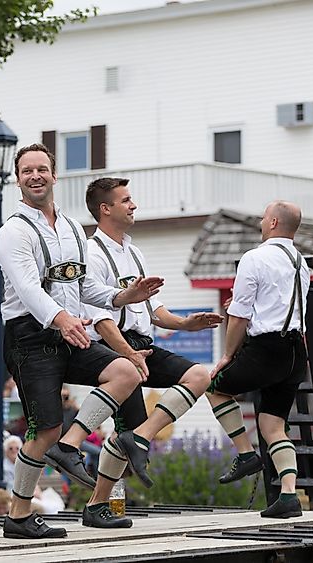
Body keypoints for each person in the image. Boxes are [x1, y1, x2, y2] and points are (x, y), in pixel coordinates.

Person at [0, 143, 163, 540]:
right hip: (29, 336)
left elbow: (84, 283)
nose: (35, 176)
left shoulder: (72, 228)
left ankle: (71, 447)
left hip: (70, 331)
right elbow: (27, 287)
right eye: (26, 171)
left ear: (54, 175)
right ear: (18, 180)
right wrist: (61, 318)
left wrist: (124, 297)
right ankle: (18, 516)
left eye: (41, 169)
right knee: (44, 430)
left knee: (126, 371)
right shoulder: (13, 231)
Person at [77, 177, 224, 528]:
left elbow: (155, 310)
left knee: (199, 375)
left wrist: (186, 324)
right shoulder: (90, 253)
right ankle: (98, 505)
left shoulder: (134, 251)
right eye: (126, 200)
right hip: (116, 351)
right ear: (105, 209)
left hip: (144, 346)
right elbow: (101, 321)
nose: (134, 205)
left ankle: (142, 435)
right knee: (122, 430)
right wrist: (128, 355)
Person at [206, 200, 310, 519]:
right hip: (296, 352)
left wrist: (228, 354)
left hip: (266, 349)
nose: (261, 221)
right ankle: (290, 497)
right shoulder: (300, 262)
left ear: (275, 223)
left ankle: (246, 454)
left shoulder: (255, 257)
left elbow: (238, 315)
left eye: (265, 217)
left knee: (213, 386)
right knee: (272, 424)